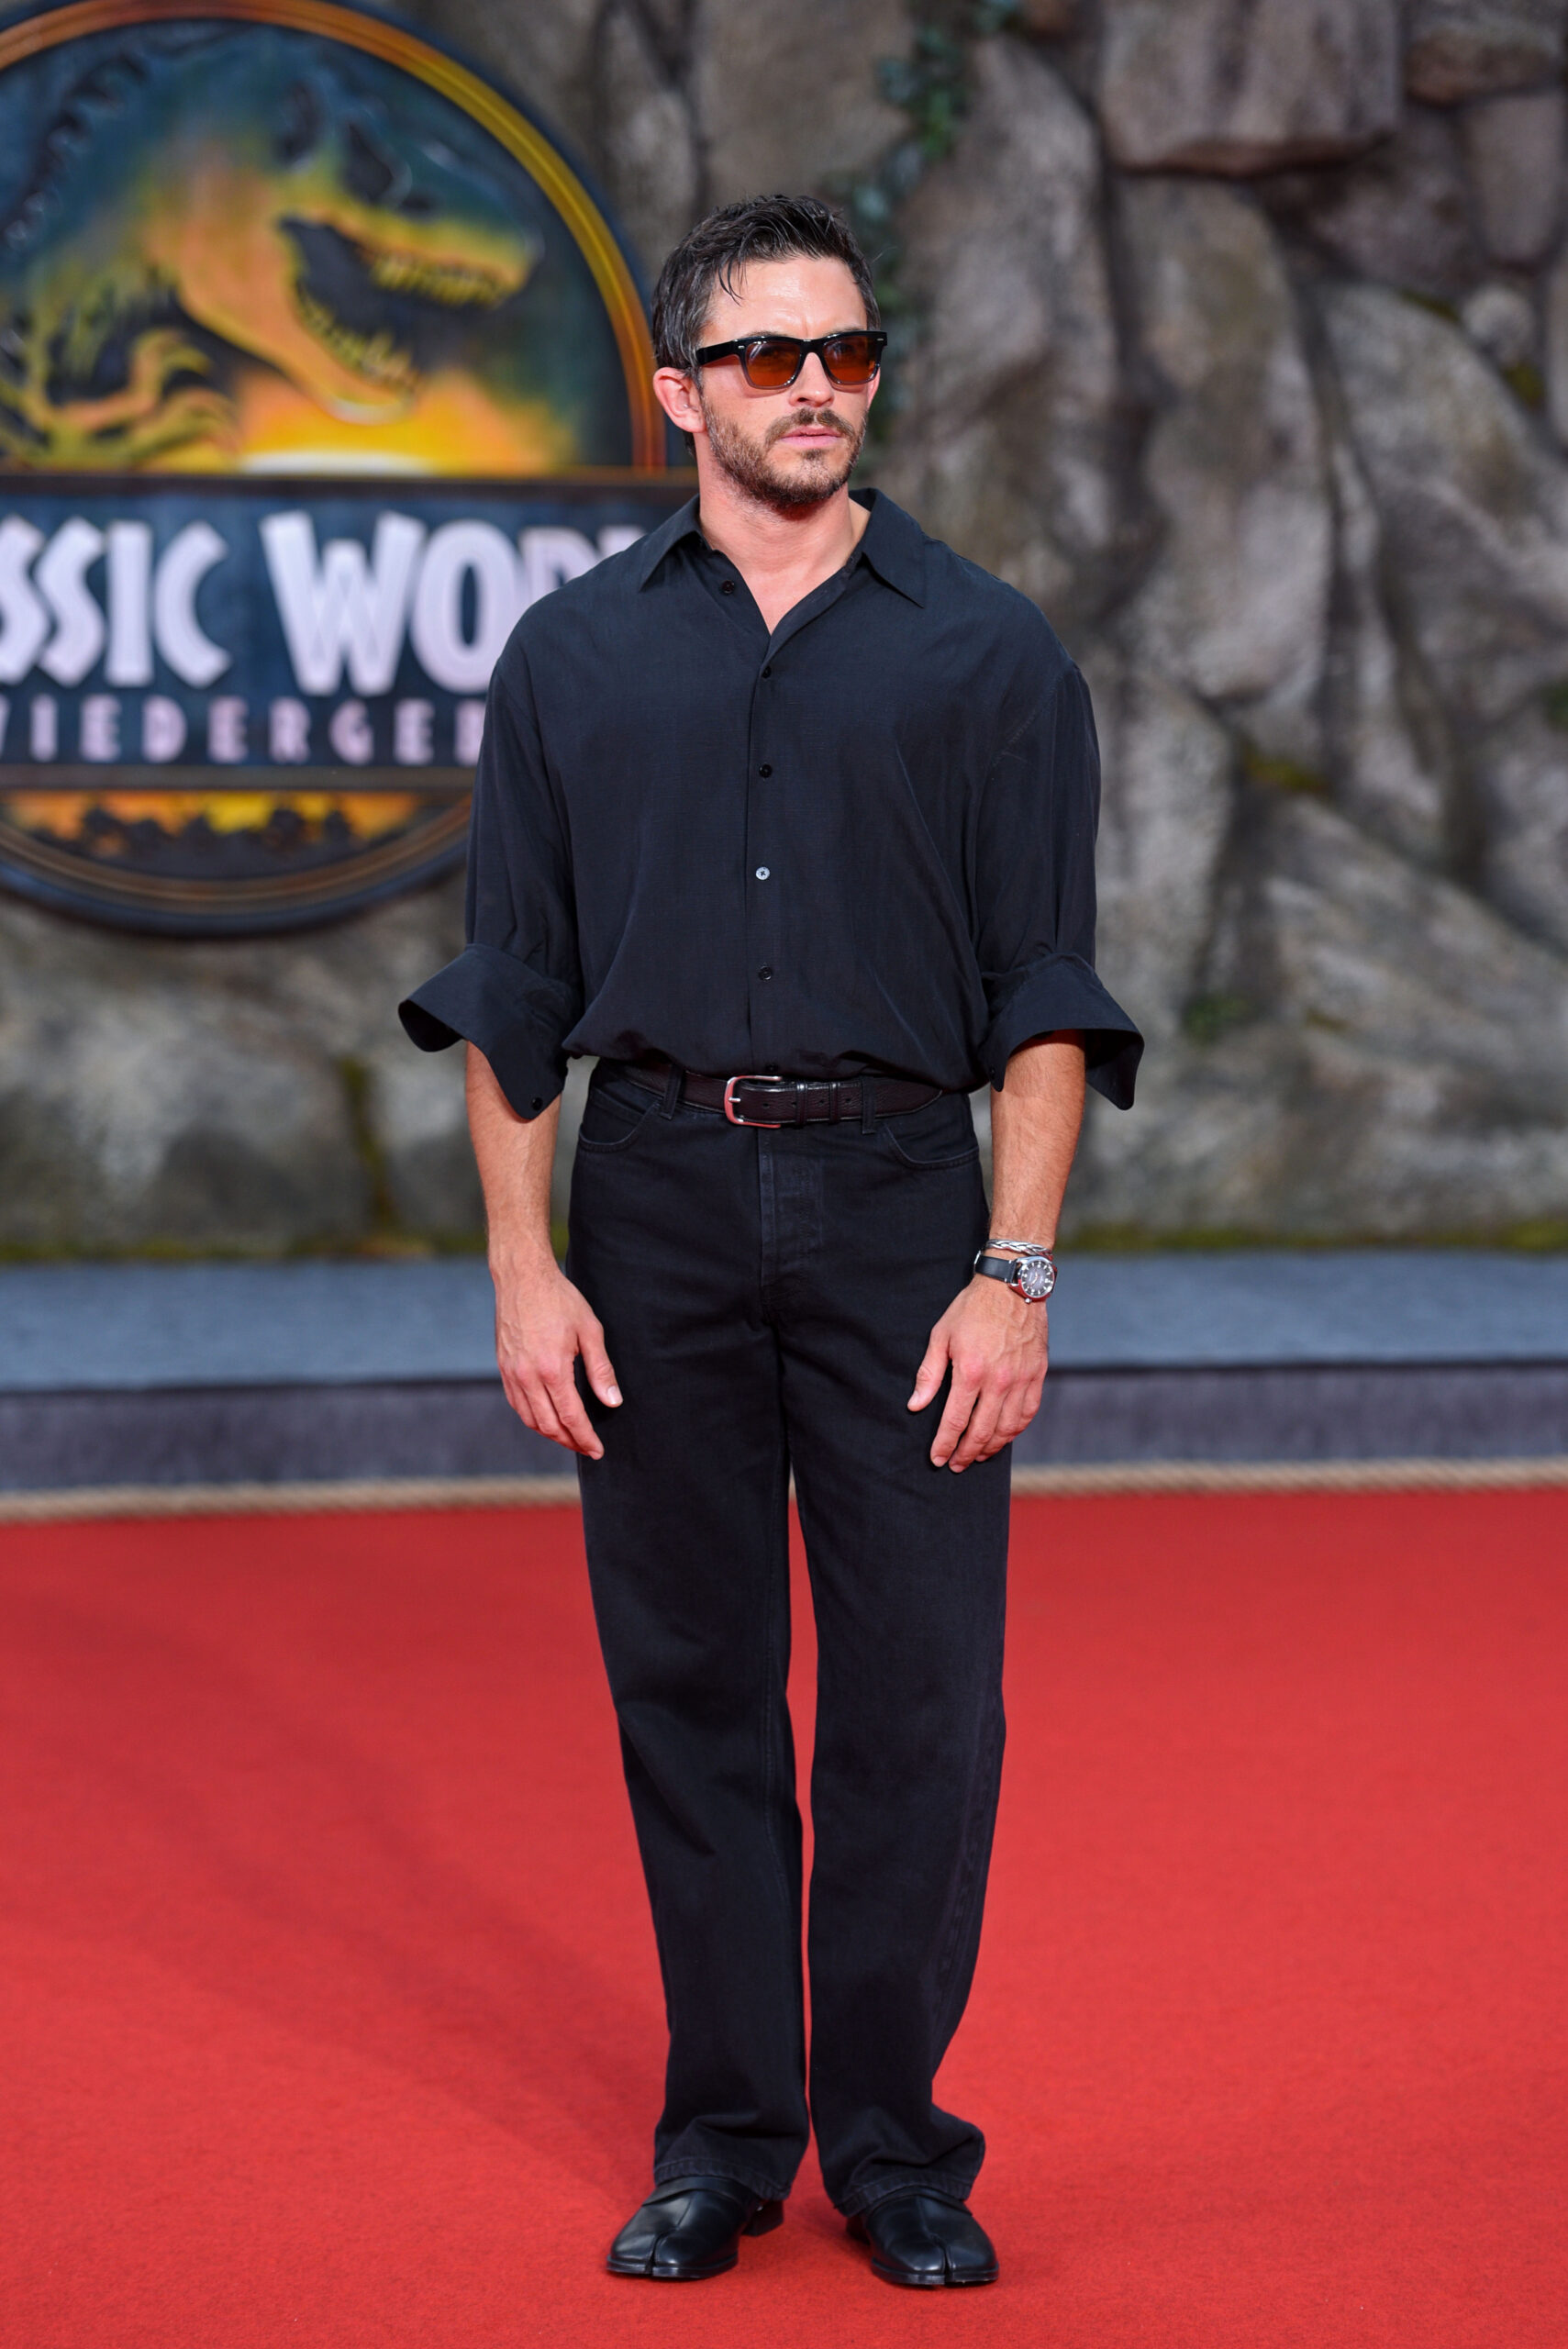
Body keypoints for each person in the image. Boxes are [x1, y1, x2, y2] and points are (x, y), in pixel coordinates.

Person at [400, 192, 1141, 2291]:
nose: (815, 386)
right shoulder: (570, 659)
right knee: (693, 1687)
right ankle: (721, 2137)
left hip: (908, 1208)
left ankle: (895, 2146)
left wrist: (1016, 1273)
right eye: (765, 355)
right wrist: (522, 1262)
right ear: (679, 392)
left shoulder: (990, 653)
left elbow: (1045, 994)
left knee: (925, 1701)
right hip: (650, 1204)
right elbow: (513, 990)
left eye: (846, 351)